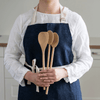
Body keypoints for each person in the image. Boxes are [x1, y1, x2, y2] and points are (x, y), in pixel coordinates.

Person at [4, 0, 93, 100]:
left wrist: (64, 72)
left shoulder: (74, 19)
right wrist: (29, 75)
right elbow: (9, 57)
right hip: (31, 91)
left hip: (66, 91)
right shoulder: (23, 20)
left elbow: (86, 59)